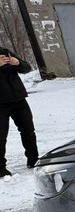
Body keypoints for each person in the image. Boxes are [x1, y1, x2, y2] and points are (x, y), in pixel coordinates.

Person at [0, 47, 38, 177]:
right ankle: (0, 168)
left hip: (18, 98)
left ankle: (34, 159)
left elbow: (27, 68)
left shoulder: (4, 51)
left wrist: (18, 63)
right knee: (0, 136)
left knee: (28, 130)